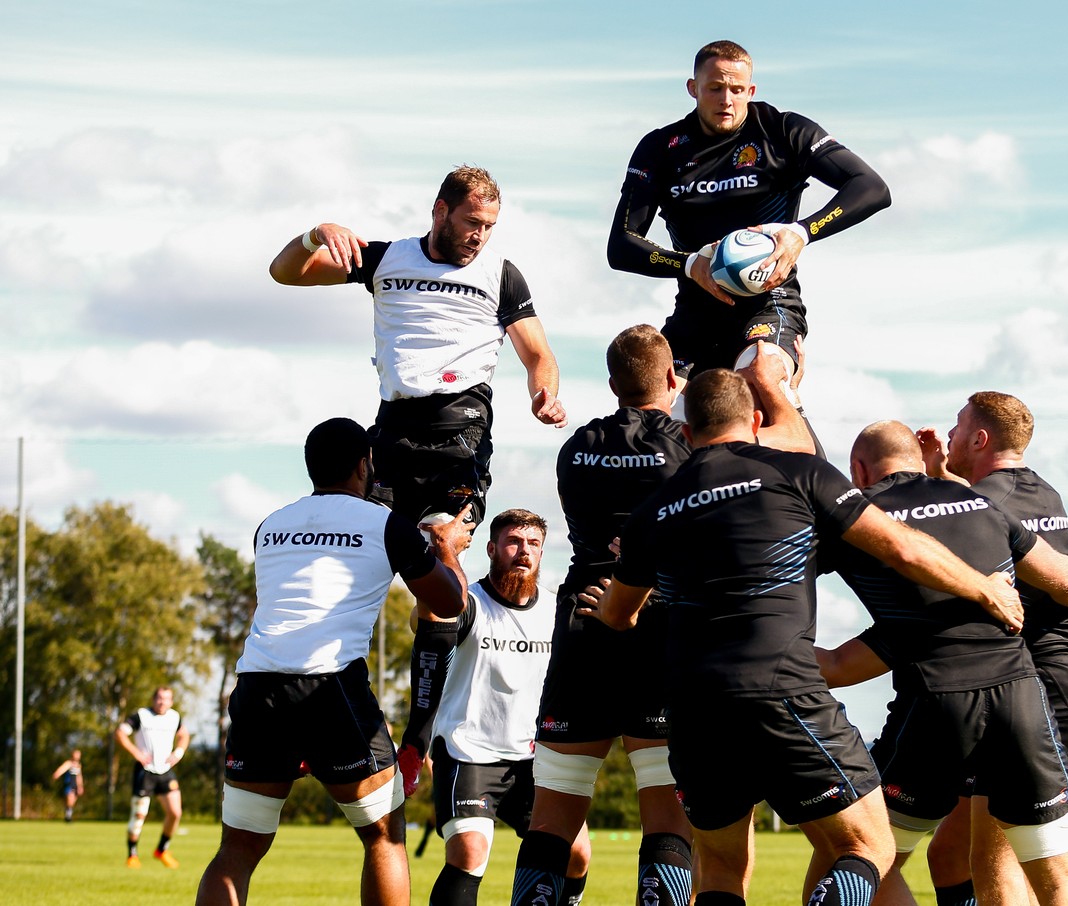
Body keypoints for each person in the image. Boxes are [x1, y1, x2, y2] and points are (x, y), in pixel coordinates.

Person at [591, 370, 1024, 906]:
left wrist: (620, 601)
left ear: (685, 433)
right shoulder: (799, 472)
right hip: (783, 694)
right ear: (753, 421)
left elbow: (617, 615)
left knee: (721, 869)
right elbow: (904, 550)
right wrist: (985, 589)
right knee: (870, 846)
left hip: (694, 710)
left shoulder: (650, 515)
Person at [816, 420, 1068, 906]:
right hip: (1022, 700)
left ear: (858, 470)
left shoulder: (858, 516)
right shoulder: (983, 503)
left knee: (867, 857)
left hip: (936, 702)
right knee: (1060, 877)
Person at [194, 417, 473, 906]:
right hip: (330, 688)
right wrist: (448, 550)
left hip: (258, 685)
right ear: (365, 465)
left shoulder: (270, 524)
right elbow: (450, 604)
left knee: (238, 847)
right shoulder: (387, 525)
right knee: (384, 835)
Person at [918, 391, 1068, 906]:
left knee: (1001, 863)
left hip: (1038, 695)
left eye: (957, 428)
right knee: (957, 853)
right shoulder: (1046, 495)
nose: (948, 436)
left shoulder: (978, 504)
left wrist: (925, 482)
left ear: (980, 439)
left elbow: (958, 525)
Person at [269, 165, 568, 528]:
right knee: (368, 538)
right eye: (472, 221)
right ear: (441, 210)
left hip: (459, 422)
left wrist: (544, 394)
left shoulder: (501, 274)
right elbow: (285, 273)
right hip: (393, 424)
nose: (480, 236)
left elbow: (538, 354)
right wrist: (316, 235)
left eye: (489, 226)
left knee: (442, 538)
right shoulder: (385, 258)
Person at [509, 324, 693, 906]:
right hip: (659, 623)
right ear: (670, 378)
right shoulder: (688, 446)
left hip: (583, 624)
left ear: (611, 383)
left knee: (552, 818)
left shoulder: (575, 447)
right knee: (666, 814)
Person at [606, 39, 891, 393]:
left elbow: (872, 187)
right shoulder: (661, 148)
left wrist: (801, 232)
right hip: (696, 313)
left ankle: (792, 429)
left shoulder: (783, 131)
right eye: (715, 88)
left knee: (762, 378)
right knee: (660, 409)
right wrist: (689, 263)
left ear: (751, 90)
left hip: (769, 302)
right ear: (693, 89)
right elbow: (620, 245)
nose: (727, 99)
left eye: (737, 89)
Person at [400, 508, 586, 906]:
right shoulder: (467, 603)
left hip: (535, 761)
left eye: (533, 544)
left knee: (576, 854)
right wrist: (440, 548)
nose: (524, 551)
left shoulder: (555, 610)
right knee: (469, 853)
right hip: (469, 755)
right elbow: (427, 619)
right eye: (514, 542)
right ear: (491, 548)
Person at [117, 686, 190, 868]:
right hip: (145, 771)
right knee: (139, 815)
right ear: (153, 699)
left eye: (166, 699)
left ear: (171, 701)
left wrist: (178, 753)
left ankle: (162, 850)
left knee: (175, 813)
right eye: (159, 698)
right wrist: (136, 753)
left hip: (165, 771)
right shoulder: (141, 716)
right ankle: (132, 854)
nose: (162, 702)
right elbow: (120, 732)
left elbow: (184, 735)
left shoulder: (174, 716)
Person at [51, 748, 84, 822]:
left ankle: (68, 815)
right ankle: (68, 817)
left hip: (75, 785)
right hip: (69, 784)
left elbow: (79, 776)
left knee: (72, 802)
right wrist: (57, 774)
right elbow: (61, 769)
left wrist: (80, 786)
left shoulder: (78, 765)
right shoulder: (69, 763)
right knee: (70, 800)